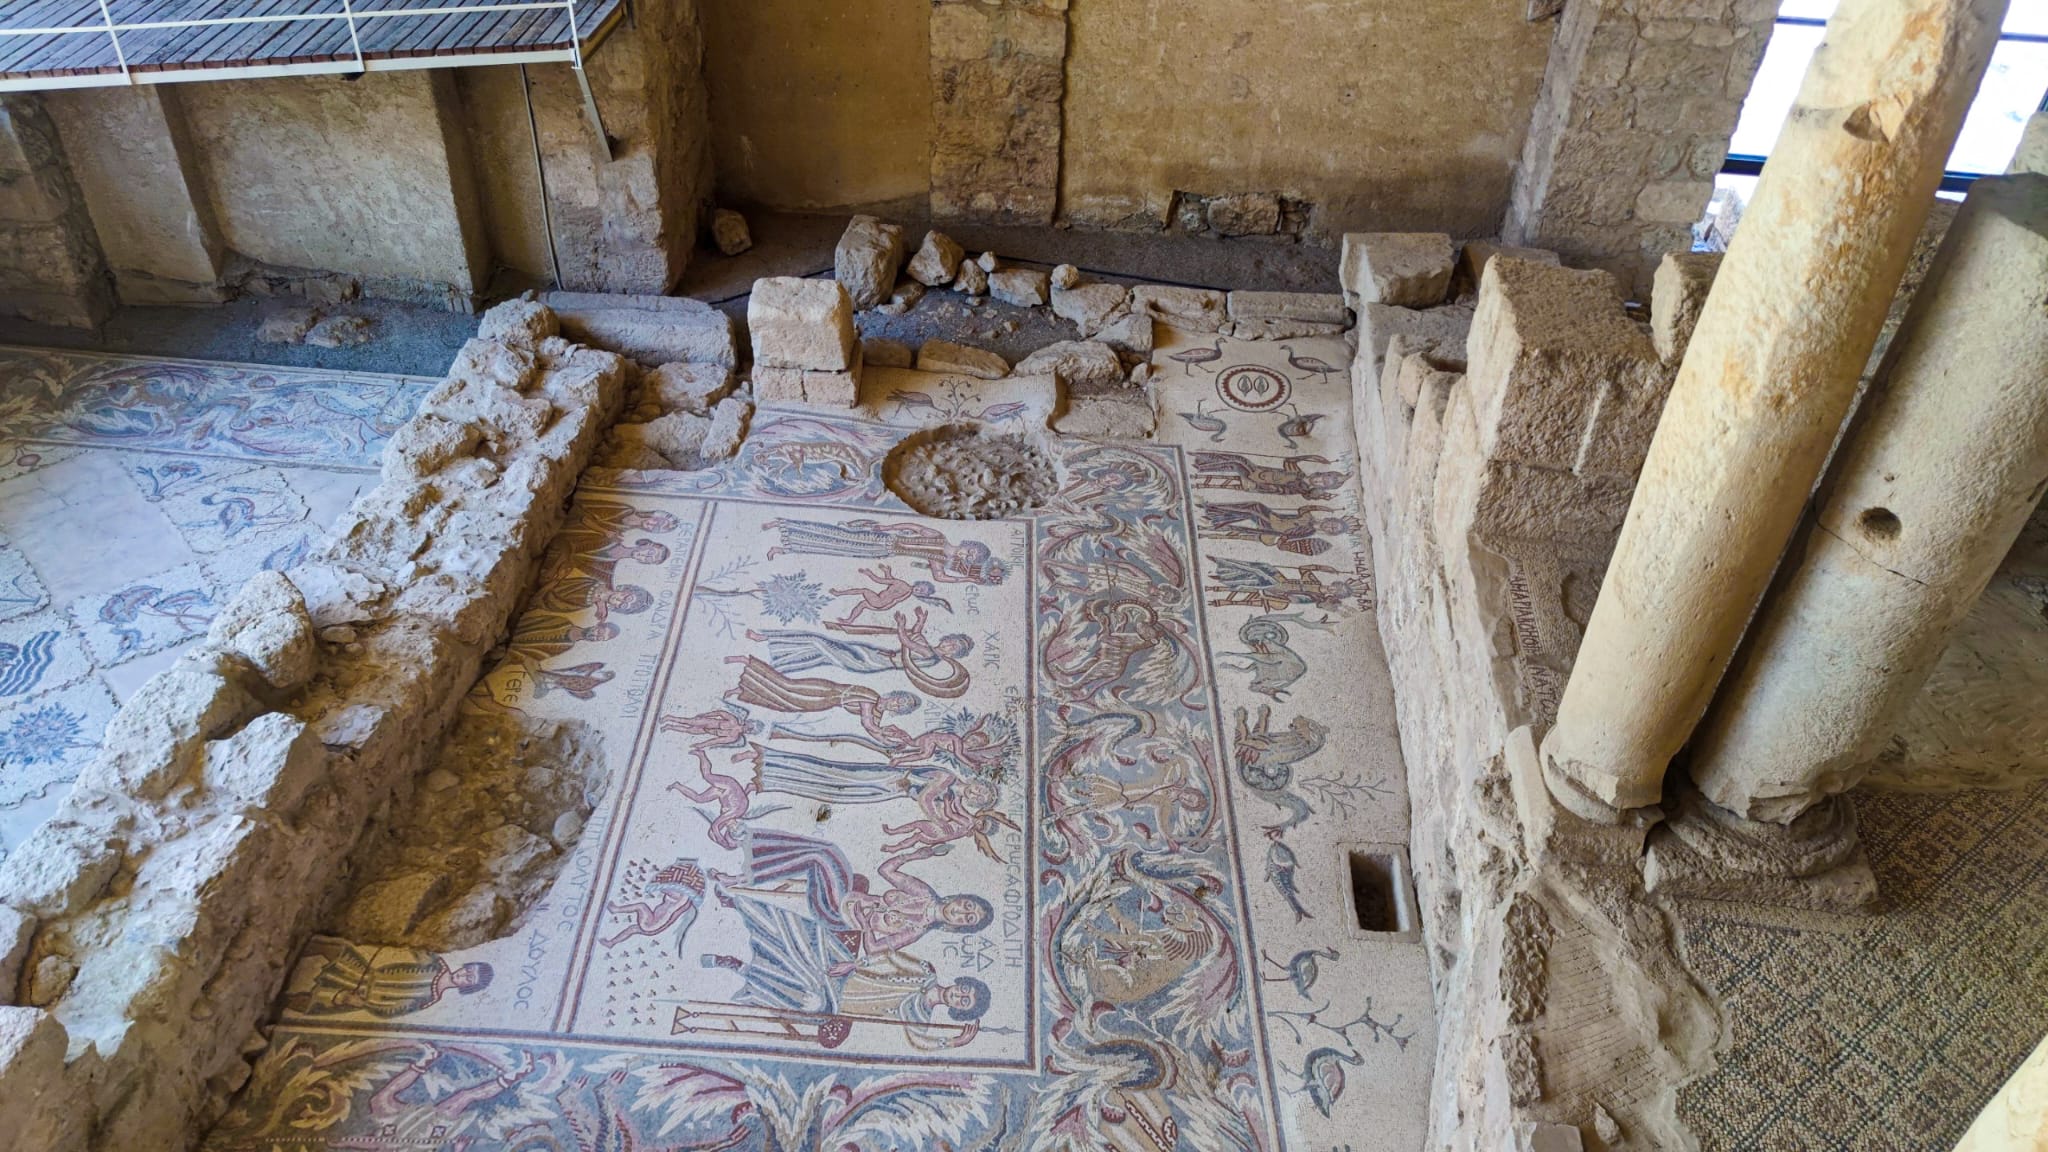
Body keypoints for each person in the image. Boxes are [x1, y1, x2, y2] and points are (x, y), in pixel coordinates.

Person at [283, 938, 492, 1019]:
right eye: (468, 971)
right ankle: (290, 946)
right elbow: (414, 948)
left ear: (467, 988)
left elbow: (394, 1010)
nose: (463, 976)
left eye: (468, 980)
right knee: (338, 951)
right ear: (465, 966)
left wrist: (366, 1003)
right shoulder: (435, 962)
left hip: (362, 997)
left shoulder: (429, 999)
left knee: (316, 1003)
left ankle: (279, 1004)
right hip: (366, 973)